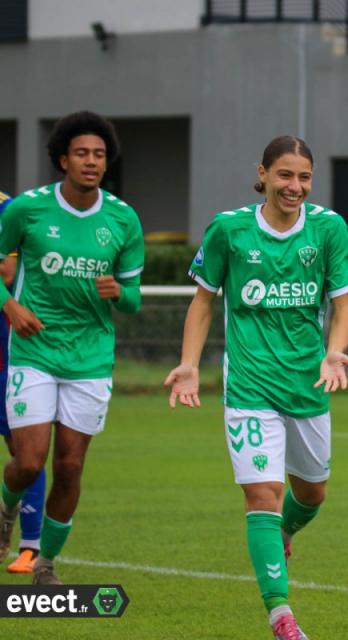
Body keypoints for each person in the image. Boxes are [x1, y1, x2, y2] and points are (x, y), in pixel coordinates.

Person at [164, 136, 348, 640]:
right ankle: (281, 615)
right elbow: (204, 301)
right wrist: (189, 364)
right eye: (285, 175)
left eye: (303, 177)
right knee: (263, 493)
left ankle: (287, 531)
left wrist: (334, 351)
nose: (294, 186)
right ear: (264, 174)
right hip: (249, 385)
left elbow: (342, 306)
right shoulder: (229, 229)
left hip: (307, 383)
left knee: (311, 494)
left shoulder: (329, 229)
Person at [0, 111, 144, 585]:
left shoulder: (123, 219)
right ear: (63, 158)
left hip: (90, 359)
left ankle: (45, 564)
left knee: (70, 465)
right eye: (82, 153)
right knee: (28, 461)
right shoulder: (27, 209)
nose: (91, 161)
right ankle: (6, 509)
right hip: (36, 350)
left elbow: (134, 298)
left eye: (99, 155)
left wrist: (118, 294)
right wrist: (10, 306)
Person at [0, 191, 47, 575]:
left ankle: (30, 545)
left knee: (25, 452)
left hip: (6, 353)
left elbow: (7, 273)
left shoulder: (8, 207)